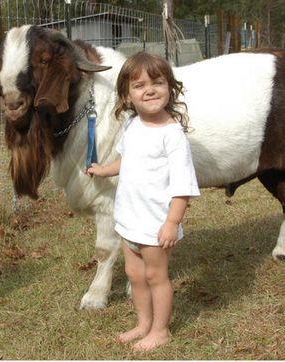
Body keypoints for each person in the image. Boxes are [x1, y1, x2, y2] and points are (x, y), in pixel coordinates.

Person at [85, 52, 200, 351]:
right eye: (139, 85)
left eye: (157, 83)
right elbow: (126, 159)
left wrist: (172, 223)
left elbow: (182, 186)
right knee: (135, 276)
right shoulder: (132, 125)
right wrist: (103, 169)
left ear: (169, 88)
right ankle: (143, 323)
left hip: (154, 225)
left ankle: (160, 330)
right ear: (127, 95)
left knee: (156, 277)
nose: (149, 89)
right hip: (128, 220)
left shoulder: (172, 135)